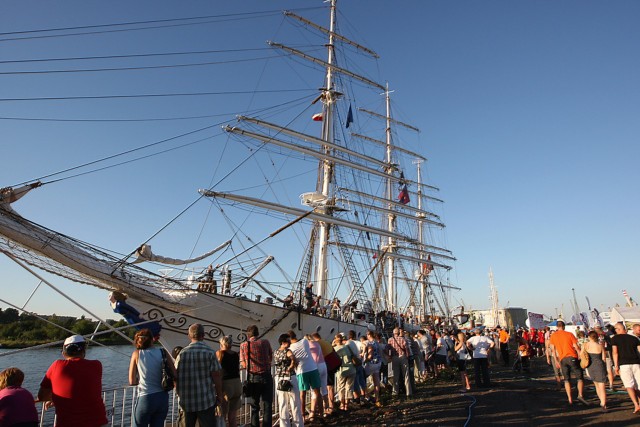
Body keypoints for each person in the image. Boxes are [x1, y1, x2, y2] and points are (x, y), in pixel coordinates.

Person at [37, 334, 108, 427]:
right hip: (98, 422)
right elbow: (82, 387)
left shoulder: (57, 365)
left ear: (64, 353)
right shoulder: (97, 365)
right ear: (83, 351)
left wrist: (57, 399)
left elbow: (42, 396)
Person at [175, 323, 223, 427]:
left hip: (186, 401)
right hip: (205, 400)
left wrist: (178, 393)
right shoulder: (210, 352)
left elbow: (175, 375)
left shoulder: (182, 353)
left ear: (189, 335)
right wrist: (219, 395)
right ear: (203, 335)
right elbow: (216, 376)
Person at [128, 329, 175, 427]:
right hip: (162, 397)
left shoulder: (137, 354)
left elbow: (132, 381)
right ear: (152, 339)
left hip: (146, 396)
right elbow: (175, 373)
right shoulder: (163, 352)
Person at [240, 325, 274, 427]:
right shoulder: (265, 342)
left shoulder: (244, 345)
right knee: (267, 405)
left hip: (253, 378)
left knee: (255, 406)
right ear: (258, 333)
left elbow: (244, 364)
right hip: (267, 376)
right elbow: (270, 356)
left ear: (248, 334)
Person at [548, 320, 587, 406]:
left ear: (557, 327)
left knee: (566, 379)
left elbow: (553, 350)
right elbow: (576, 346)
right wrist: (580, 354)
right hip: (572, 356)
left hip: (562, 359)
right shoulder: (569, 334)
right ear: (564, 326)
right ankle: (580, 395)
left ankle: (570, 399)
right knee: (579, 377)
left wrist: (556, 361)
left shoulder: (553, 336)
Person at [288, 330, 321, 422]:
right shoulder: (304, 341)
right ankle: (318, 414)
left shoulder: (290, 348)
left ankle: (302, 417)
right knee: (317, 392)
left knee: (302, 394)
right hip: (313, 368)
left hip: (301, 371)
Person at [273, 334, 303, 427]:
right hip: (290, 377)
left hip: (279, 377)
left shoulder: (276, 352)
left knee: (282, 403)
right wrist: (291, 366)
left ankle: (284, 425)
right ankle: (297, 424)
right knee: (295, 402)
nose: (290, 342)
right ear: (283, 342)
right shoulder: (288, 351)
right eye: (288, 341)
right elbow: (293, 359)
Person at [611, 322, 640, 414]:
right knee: (638, 385)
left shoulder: (615, 338)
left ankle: (636, 404)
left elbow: (615, 353)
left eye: (615, 329)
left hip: (623, 364)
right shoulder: (634, 338)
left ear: (619, 329)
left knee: (629, 385)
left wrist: (616, 366)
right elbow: (639, 351)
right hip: (636, 363)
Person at [216, 335, 241, 427]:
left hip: (227, 384)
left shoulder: (220, 353)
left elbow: (217, 369)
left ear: (222, 344)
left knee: (222, 415)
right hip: (237, 383)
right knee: (233, 416)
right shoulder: (235, 354)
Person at [583, 330, 608, 411]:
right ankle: (603, 404)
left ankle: (601, 401)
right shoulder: (600, 346)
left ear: (589, 337)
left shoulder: (586, 345)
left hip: (590, 366)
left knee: (596, 385)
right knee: (602, 386)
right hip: (599, 365)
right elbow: (604, 358)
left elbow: (582, 356)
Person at [333, 333, 356, 411]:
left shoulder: (335, 349)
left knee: (341, 387)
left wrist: (333, 345)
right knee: (349, 387)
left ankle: (342, 404)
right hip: (352, 369)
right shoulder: (347, 347)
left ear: (335, 340)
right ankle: (346, 405)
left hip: (342, 370)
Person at [387, 327, 411, 397]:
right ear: (398, 333)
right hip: (402, 357)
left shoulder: (390, 340)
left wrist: (390, 356)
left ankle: (395, 392)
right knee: (406, 375)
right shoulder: (403, 339)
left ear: (393, 333)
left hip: (394, 357)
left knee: (395, 376)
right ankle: (408, 392)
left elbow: (388, 349)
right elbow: (407, 349)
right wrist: (407, 356)